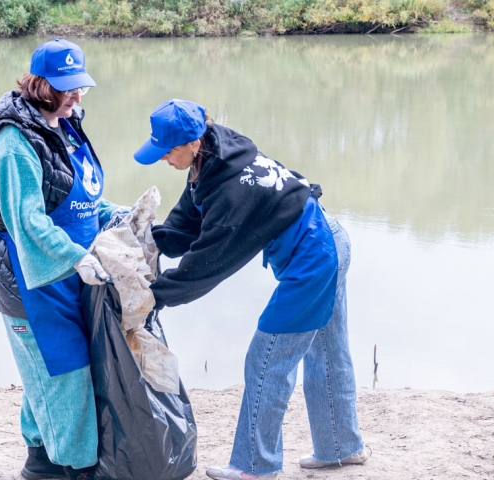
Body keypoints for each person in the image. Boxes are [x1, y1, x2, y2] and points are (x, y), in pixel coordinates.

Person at [133, 99, 370, 480]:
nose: (163, 158)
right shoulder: (217, 153)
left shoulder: (230, 190)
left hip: (313, 259)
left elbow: (207, 265)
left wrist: (152, 297)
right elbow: (189, 220)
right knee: (327, 352)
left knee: (266, 359)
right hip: (329, 239)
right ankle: (342, 448)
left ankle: (255, 467)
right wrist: (148, 241)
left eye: (168, 150)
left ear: (194, 141)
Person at [0, 39, 123, 480]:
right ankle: (73, 467)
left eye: (81, 87)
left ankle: (39, 461)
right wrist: (76, 257)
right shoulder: (13, 141)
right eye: (66, 88)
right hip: (30, 277)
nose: (76, 96)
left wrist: (118, 213)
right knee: (65, 372)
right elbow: (27, 222)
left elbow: (80, 196)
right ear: (39, 85)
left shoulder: (65, 124)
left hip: (72, 274)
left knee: (51, 370)